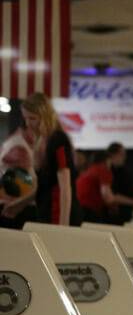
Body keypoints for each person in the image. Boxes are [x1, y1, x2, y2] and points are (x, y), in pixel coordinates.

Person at [24, 92, 80, 226]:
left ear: (44, 116)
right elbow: (39, 187)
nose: (28, 123)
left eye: (32, 118)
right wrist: (18, 205)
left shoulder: (58, 140)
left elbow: (65, 188)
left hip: (58, 215)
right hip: (46, 212)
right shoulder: (40, 141)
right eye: (25, 118)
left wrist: (63, 226)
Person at [76, 146, 133, 224]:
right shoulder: (103, 170)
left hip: (79, 210)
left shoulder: (89, 170)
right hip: (89, 211)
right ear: (107, 160)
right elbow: (108, 197)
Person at [0, 100, 39, 229]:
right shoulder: (19, 147)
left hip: (14, 204)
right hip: (14, 206)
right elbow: (28, 182)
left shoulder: (18, 142)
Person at [108, 142, 133, 224]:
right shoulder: (108, 172)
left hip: (125, 215)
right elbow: (113, 196)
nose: (124, 157)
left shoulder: (123, 170)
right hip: (115, 217)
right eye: (121, 154)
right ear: (113, 155)